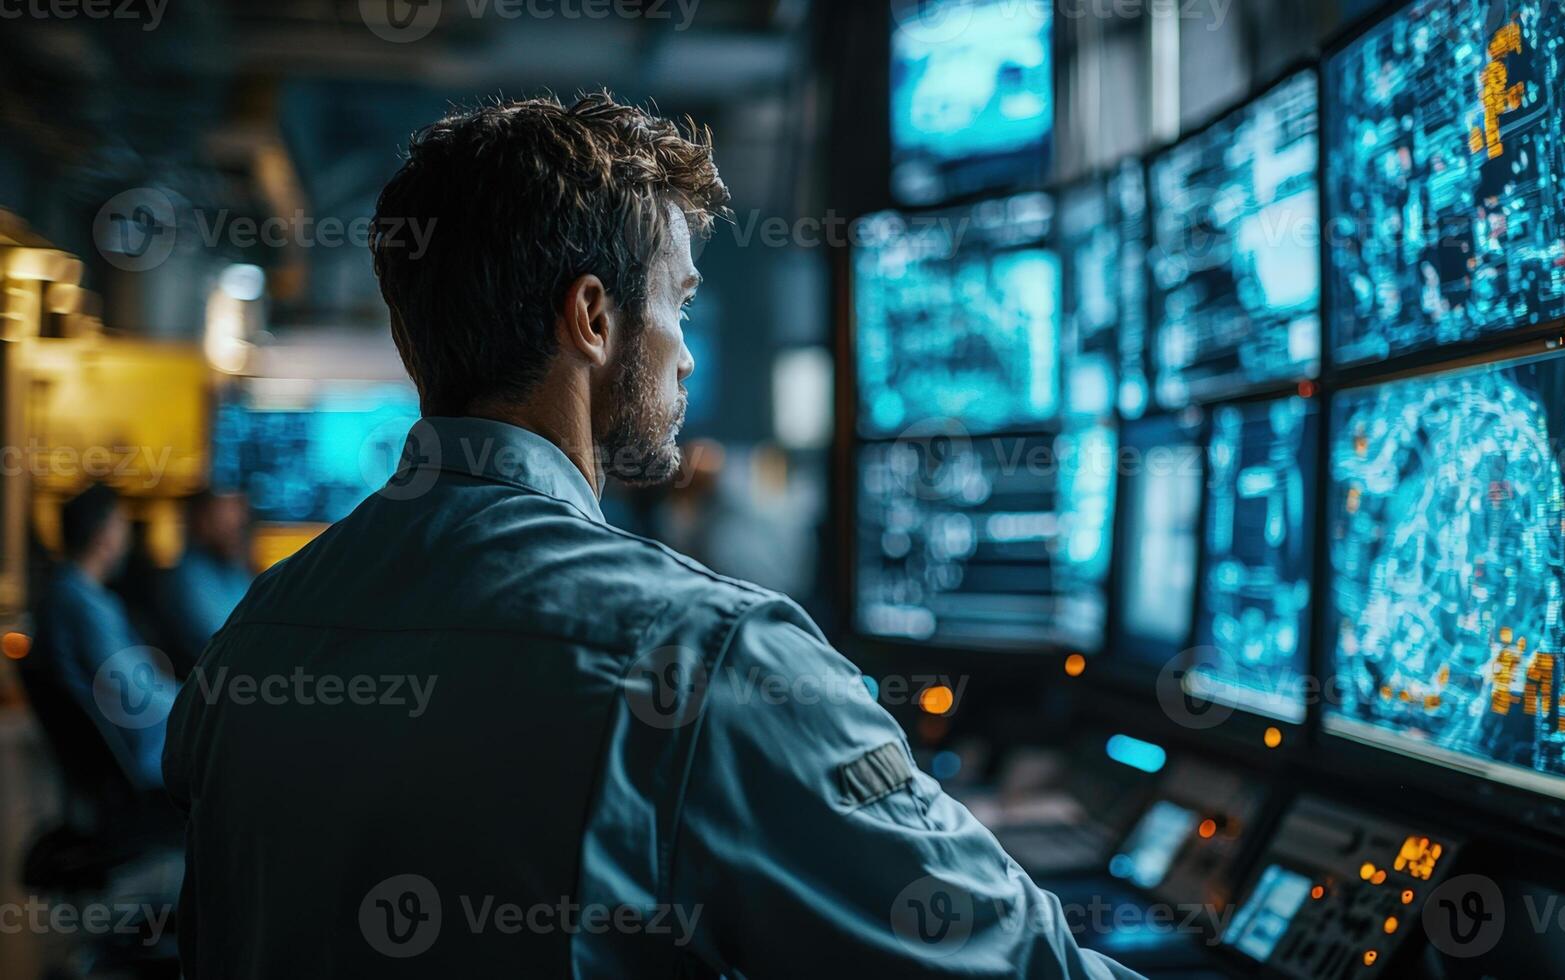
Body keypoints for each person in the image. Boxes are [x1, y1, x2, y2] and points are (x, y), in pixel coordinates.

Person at [164, 93, 1140, 979]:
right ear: (592, 316)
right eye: (680, 302)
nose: (687, 351)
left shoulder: (254, 637)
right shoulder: (707, 658)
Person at [32, 484, 179, 791]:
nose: (127, 540)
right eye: (122, 526)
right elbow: (133, 691)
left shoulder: (64, 593)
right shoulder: (83, 604)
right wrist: (199, 705)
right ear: (104, 535)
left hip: (125, 753)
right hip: (144, 755)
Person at [160, 490, 254, 670]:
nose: (237, 525)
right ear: (202, 521)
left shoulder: (232, 569)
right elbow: (228, 641)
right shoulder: (189, 577)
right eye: (225, 521)